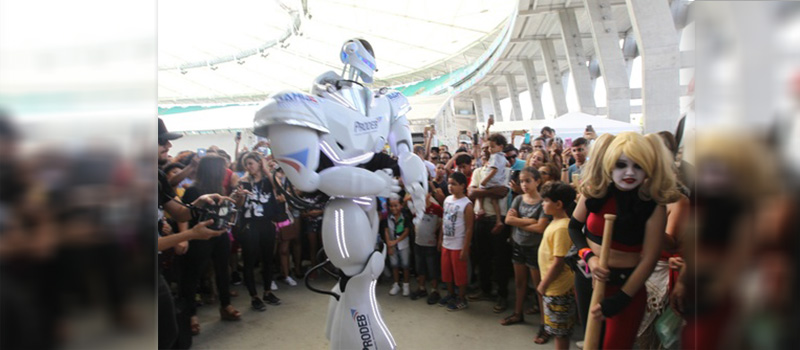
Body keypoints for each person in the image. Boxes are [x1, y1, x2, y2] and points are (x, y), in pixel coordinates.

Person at [568, 132, 678, 349]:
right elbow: (573, 228)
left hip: (627, 286)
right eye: (621, 165)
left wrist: (622, 299)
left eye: (638, 166)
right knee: (592, 344)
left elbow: (650, 257)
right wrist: (589, 258)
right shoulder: (595, 192)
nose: (629, 172)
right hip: (589, 278)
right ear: (609, 165)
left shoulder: (652, 205)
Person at [156, 118, 231, 348]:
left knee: (169, 335)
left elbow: (179, 213)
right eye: (162, 142)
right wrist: (189, 235)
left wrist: (199, 202)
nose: (169, 147)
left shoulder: (157, 176)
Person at [179, 154, 243, 333]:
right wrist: (184, 237)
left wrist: (236, 198)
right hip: (199, 236)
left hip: (219, 234)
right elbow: (183, 215)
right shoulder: (193, 190)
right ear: (213, 170)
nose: (225, 171)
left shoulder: (219, 188)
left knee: (223, 270)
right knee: (193, 276)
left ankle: (225, 306)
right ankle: (190, 314)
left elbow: (227, 211)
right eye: (222, 168)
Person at [500, 168, 551, 336]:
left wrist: (518, 221)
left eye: (528, 181)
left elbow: (540, 227)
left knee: (538, 287)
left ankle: (545, 324)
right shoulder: (519, 199)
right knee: (520, 283)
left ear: (537, 181)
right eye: (521, 181)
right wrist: (528, 220)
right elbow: (508, 219)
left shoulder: (543, 202)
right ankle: (518, 313)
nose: (524, 184)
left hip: (534, 249)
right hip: (518, 245)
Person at [235, 151, 283, 311]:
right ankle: (254, 296)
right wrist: (241, 196)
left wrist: (267, 170)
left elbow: (279, 189)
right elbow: (239, 205)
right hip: (250, 225)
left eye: (251, 163)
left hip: (267, 223)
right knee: (249, 260)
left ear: (259, 163)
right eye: (246, 164)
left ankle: (267, 291)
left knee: (268, 259)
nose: (248, 167)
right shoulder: (243, 181)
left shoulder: (268, 180)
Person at [538, 182, 578, 350]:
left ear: (558, 204)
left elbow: (558, 261)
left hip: (558, 288)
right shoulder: (556, 223)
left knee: (560, 332)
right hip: (554, 287)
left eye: (546, 200)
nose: (542, 204)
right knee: (557, 329)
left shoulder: (562, 227)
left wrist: (543, 284)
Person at [438, 172, 474, 311]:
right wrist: (440, 238)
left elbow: (470, 228)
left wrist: (465, 248)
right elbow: (444, 220)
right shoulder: (447, 200)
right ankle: (451, 294)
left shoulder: (467, 204)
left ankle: (461, 298)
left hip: (458, 245)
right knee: (446, 272)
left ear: (463, 186)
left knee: (460, 275)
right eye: (449, 183)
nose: (450, 186)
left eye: (454, 184)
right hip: (447, 243)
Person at [410, 193, 443, 304]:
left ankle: (434, 290)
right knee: (420, 267)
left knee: (432, 268)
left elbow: (443, 221)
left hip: (430, 244)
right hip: (418, 242)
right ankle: (422, 288)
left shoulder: (437, 209)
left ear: (428, 195)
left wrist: (439, 237)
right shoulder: (417, 208)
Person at [475, 134, 509, 235]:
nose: (489, 149)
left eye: (492, 147)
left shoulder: (495, 157)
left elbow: (494, 170)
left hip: (492, 180)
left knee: (480, 189)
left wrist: (485, 180)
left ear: (501, 147)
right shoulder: (502, 157)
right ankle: (498, 220)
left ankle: (481, 208)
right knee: (494, 201)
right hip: (497, 181)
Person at [385, 198, 412, 296]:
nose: (393, 208)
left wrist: (396, 241)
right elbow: (386, 230)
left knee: (405, 265)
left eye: (395, 205)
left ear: (401, 205)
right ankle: (396, 284)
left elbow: (406, 231)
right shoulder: (388, 217)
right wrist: (389, 244)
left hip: (403, 244)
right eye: (391, 206)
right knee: (394, 265)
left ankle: (406, 284)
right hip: (392, 244)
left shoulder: (405, 216)